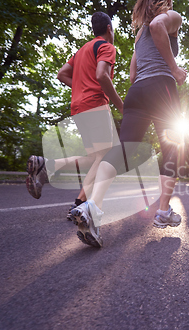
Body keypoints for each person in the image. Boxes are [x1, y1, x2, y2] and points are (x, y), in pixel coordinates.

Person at [71, 0, 187, 248]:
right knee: (173, 146)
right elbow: (158, 25)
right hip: (161, 87)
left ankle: (92, 207)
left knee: (123, 150)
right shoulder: (171, 17)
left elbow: (133, 74)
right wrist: (175, 69)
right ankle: (163, 211)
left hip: (137, 92)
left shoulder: (138, 35)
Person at [26, 12, 123, 220]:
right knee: (108, 157)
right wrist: (120, 105)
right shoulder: (106, 46)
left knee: (94, 158)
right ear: (109, 29)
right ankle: (84, 205)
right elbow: (101, 75)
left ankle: (72, 196)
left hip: (78, 107)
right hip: (95, 104)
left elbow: (62, 74)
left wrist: (80, 88)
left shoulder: (81, 51)